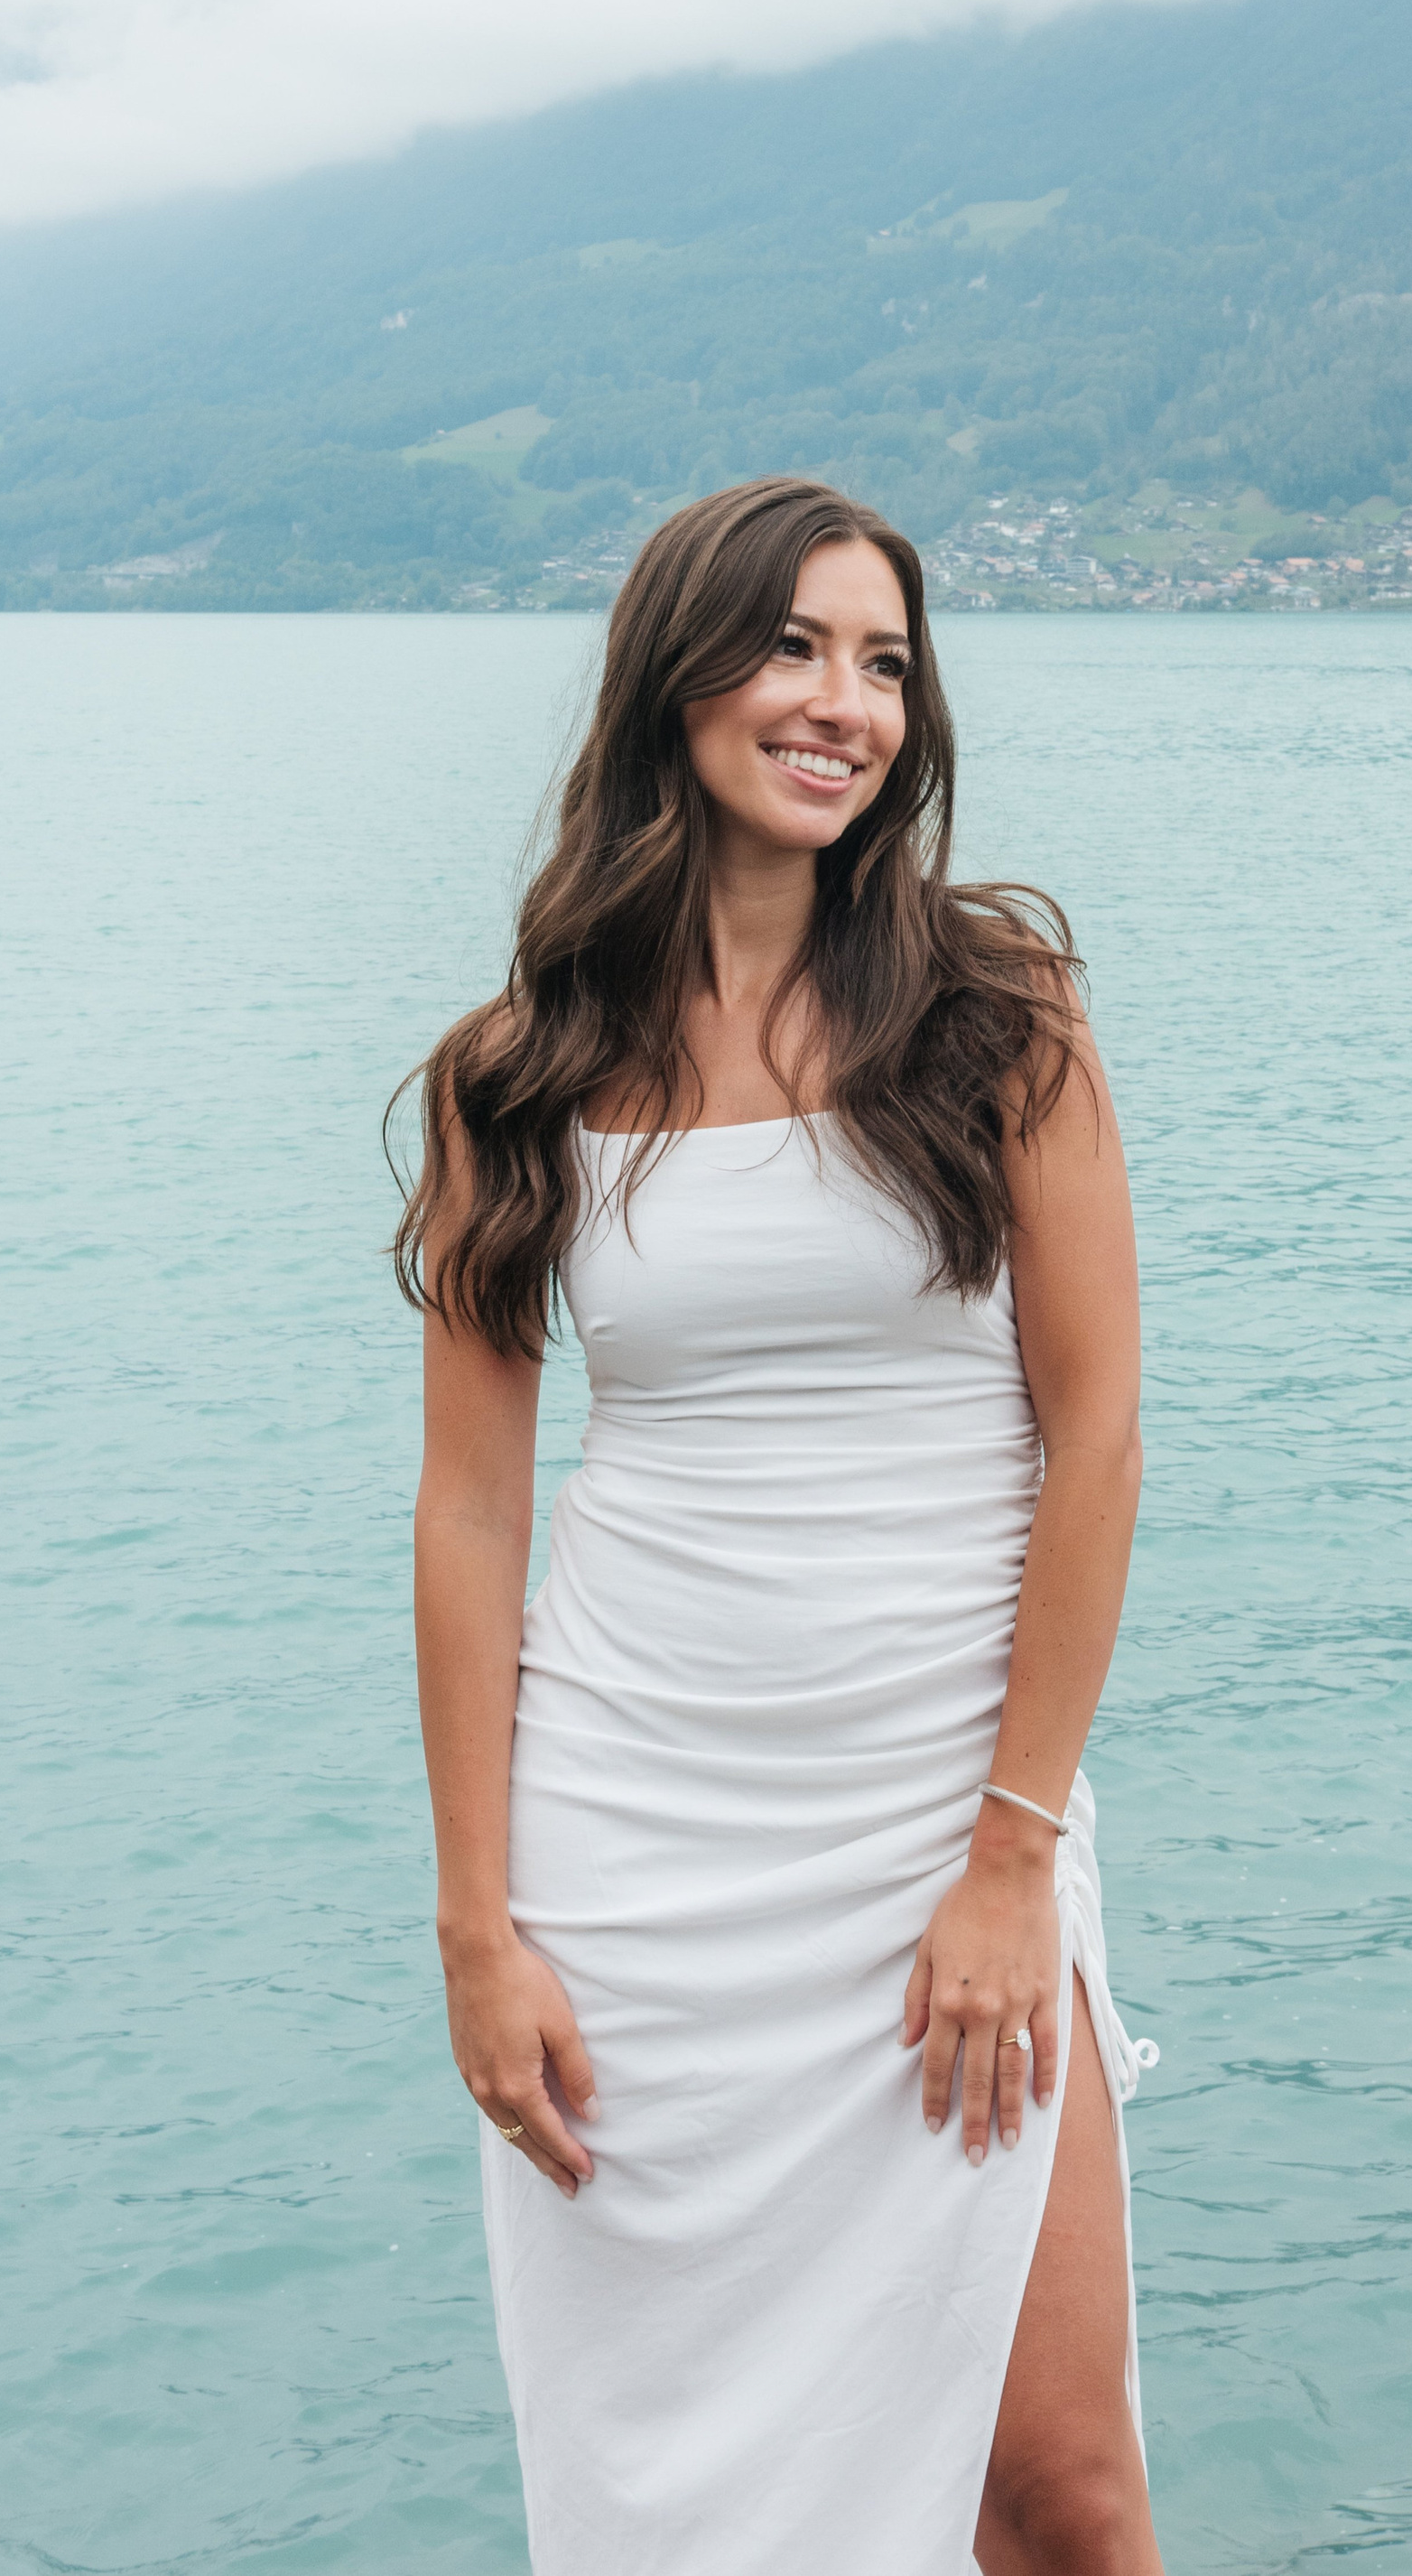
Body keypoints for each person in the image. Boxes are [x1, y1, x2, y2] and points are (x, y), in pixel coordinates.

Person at [397, 475, 1162, 2574]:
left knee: (1061, 2491)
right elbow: (469, 1516)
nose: (845, 704)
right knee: (688, 2501)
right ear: (677, 675)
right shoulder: (519, 1073)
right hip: (634, 1864)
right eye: (796, 647)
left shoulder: (996, 1015)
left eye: (886, 663)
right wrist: (478, 1925)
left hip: (945, 1827)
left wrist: (1014, 1850)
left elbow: (1091, 1441)